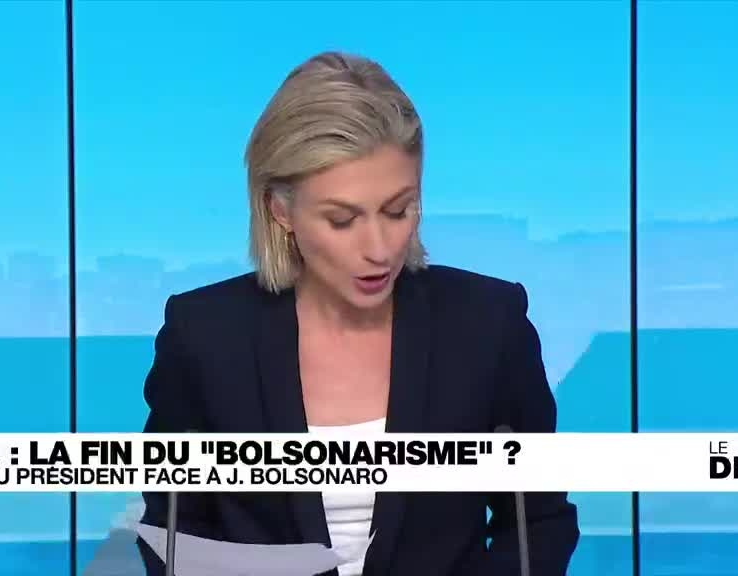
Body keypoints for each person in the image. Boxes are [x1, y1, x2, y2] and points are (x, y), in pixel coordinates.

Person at [139, 51, 579, 575]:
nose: (379, 248)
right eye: (342, 220)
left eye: (398, 210)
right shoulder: (203, 337)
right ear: (281, 209)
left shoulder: (489, 324)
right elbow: (173, 534)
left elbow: (537, 524)